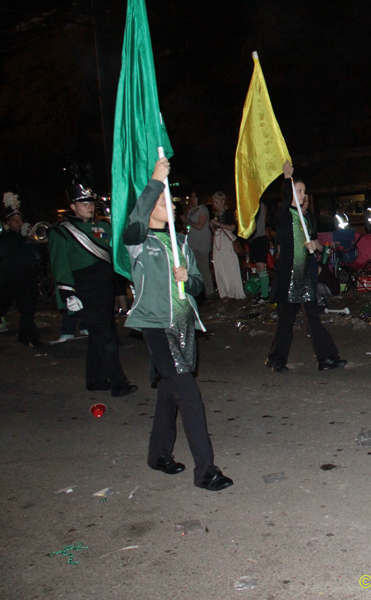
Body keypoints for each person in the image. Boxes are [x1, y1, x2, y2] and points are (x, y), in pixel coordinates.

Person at [123, 157, 232, 492]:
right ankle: (206, 471)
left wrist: (190, 279)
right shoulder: (139, 242)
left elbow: (199, 286)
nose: (165, 203)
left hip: (184, 326)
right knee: (189, 396)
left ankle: (158, 454)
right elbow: (134, 223)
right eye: (159, 200)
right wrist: (155, 181)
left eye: (167, 199)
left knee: (170, 393)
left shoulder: (181, 242)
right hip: (158, 326)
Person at [48, 183, 137, 397]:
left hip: (104, 289)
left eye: (91, 203)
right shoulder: (62, 232)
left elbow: (117, 254)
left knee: (100, 335)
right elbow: (60, 265)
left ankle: (94, 379)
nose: (89, 207)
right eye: (84, 203)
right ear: (72, 206)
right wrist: (68, 293)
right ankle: (118, 383)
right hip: (84, 290)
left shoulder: (104, 228)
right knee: (106, 338)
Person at [266, 161, 346, 373]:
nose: (303, 194)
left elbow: (312, 242)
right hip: (288, 276)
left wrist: (314, 246)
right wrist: (287, 178)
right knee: (285, 320)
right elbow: (285, 203)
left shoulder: (307, 218)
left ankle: (326, 358)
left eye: (304, 191)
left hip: (304, 275)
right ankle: (276, 359)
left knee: (313, 317)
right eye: (298, 191)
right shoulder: (284, 214)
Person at [0, 198, 41, 347]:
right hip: (11, 279)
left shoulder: (27, 237)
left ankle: (28, 336)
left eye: (20, 219)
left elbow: (37, 256)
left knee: (28, 309)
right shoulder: (6, 238)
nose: (18, 223)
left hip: (28, 277)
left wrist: (34, 242)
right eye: (14, 220)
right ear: (8, 223)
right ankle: (28, 336)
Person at [208, 191, 245, 300]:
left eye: (217, 202)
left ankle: (234, 290)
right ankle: (224, 291)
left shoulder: (228, 212)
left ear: (222, 202)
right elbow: (215, 231)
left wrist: (217, 224)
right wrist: (212, 226)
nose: (215, 205)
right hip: (217, 241)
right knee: (219, 267)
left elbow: (232, 228)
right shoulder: (215, 214)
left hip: (226, 241)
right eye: (214, 202)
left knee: (229, 265)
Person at [186, 191, 215, 298]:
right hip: (193, 240)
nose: (192, 199)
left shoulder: (203, 210)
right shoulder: (192, 209)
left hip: (202, 241)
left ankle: (210, 290)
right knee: (196, 267)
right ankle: (200, 290)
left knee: (204, 267)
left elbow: (199, 226)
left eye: (194, 197)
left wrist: (188, 222)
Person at [247, 199, 271, 305]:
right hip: (255, 239)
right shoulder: (256, 204)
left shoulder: (257, 204)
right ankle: (263, 293)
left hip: (259, 238)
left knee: (261, 267)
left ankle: (265, 295)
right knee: (258, 267)